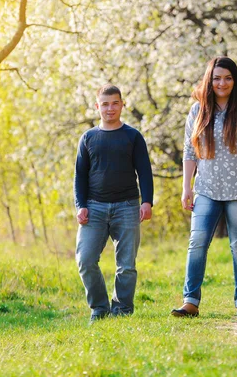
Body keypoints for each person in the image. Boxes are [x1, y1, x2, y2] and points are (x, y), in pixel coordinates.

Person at [171, 56, 237, 319]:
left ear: (235, 80)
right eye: (217, 78)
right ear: (209, 80)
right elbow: (189, 151)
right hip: (206, 188)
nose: (222, 83)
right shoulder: (197, 111)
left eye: (227, 78)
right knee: (197, 242)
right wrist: (186, 188)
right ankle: (190, 301)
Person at [74, 84, 153, 322]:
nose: (110, 108)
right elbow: (80, 176)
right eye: (105, 104)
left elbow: (145, 172)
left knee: (126, 265)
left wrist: (147, 201)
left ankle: (122, 310)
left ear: (122, 105)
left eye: (115, 103)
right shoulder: (88, 138)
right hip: (94, 207)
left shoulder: (133, 136)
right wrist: (81, 205)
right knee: (85, 260)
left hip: (128, 206)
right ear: (97, 106)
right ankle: (99, 308)